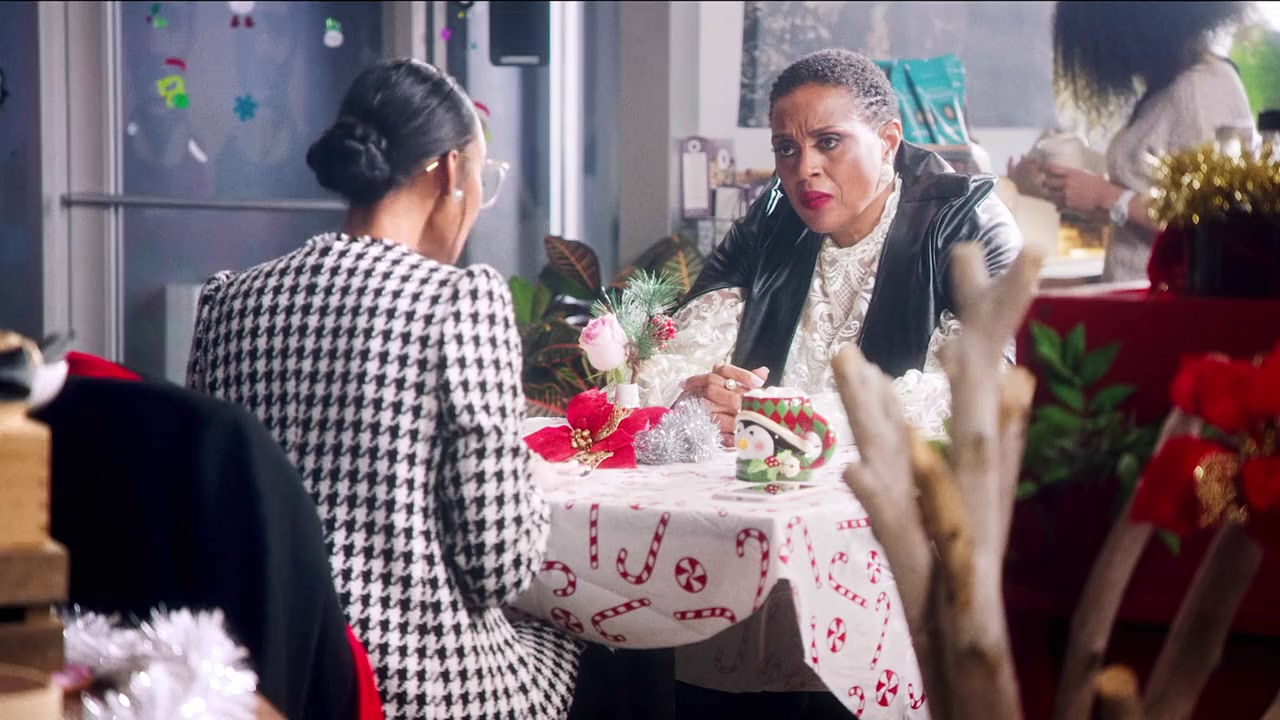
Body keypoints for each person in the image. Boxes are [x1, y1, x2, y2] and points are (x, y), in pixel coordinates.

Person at [185, 58, 581, 719]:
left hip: (262, 676)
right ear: (449, 170)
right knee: (608, 651)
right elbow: (499, 565)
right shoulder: (460, 300)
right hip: (418, 683)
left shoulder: (230, 300)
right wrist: (525, 487)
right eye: (483, 177)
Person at [637, 48, 1023, 444]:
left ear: (888, 141)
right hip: (757, 473)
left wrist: (788, 418)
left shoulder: (967, 223)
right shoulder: (768, 223)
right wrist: (703, 395)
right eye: (786, 149)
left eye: (829, 142)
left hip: (904, 478)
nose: (805, 169)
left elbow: (985, 389)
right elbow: (670, 358)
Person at [1008, 1, 1254, 282]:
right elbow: (1143, 211)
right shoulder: (1172, 86)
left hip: (1164, 295)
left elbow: (1204, 223)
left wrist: (1105, 195)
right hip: (1141, 290)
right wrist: (1075, 193)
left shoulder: (1199, 91)